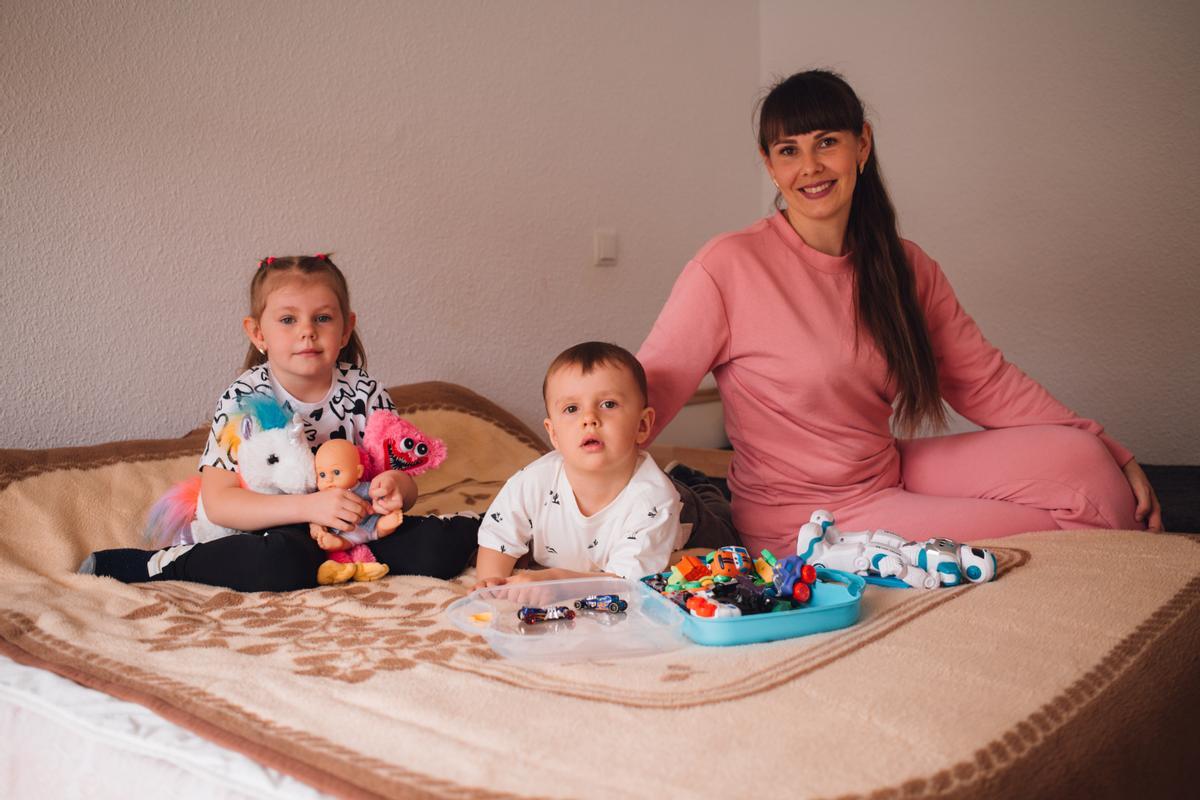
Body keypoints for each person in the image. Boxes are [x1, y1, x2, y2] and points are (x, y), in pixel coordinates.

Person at [637, 70, 1163, 558]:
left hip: (886, 470)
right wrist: (567, 489)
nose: (810, 167)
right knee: (1049, 530)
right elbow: (646, 395)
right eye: (789, 150)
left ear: (861, 145)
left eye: (827, 142)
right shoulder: (728, 265)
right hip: (807, 520)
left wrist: (1111, 448)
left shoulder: (905, 265)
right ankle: (1129, 575)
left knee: (1083, 461)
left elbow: (984, 381)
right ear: (770, 165)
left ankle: (1132, 567)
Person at [82, 254, 478, 590]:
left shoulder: (366, 391)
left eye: (323, 318)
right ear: (258, 333)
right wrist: (310, 508)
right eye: (288, 320)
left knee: (434, 551)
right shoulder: (245, 398)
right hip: (274, 528)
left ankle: (492, 526)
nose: (307, 331)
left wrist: (395, 489)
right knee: (279, 563)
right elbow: (219, 503)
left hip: (356, 525)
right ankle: (164, 563)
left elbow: (402, 485)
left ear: (346, 329)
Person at [473, 342, 738, 589]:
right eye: (571, 409)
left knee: (726, 546)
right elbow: (497, 540)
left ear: (642, 425)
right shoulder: (531, 483)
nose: (589, 418)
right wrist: (492, 586)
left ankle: (695, 481)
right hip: (639, 507)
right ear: (553, 434)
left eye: (608, 404)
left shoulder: (654, 500)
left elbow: (626, 586)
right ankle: (682, 475)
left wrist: (554, 579)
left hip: (688, 515)